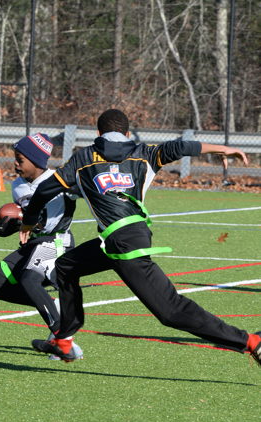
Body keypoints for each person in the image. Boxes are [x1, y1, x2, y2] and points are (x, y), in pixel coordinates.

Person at [20, 108, 261, 365]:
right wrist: (222, 149)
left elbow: (44, 190)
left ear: (98, 133)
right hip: (121, 240)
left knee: (171, 311)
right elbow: (182, 146)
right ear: (127, 134)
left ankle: (251, 342)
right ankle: (64, 340)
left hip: (123, 245)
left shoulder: (84, 157)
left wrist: (29, 221)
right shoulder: (145, 153)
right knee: (66, 266)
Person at [0, 132, 83, 359]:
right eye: (15, 159)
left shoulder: (59, 180)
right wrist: (7, 224)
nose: (16, 164)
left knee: (29, 279)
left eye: (20, 159)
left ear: (37, 161)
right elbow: (25, 220)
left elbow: (85, 192)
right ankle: (54, 306)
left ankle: (63, 338)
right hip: (34, 243)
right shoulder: (18, 185)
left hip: (57, 241)